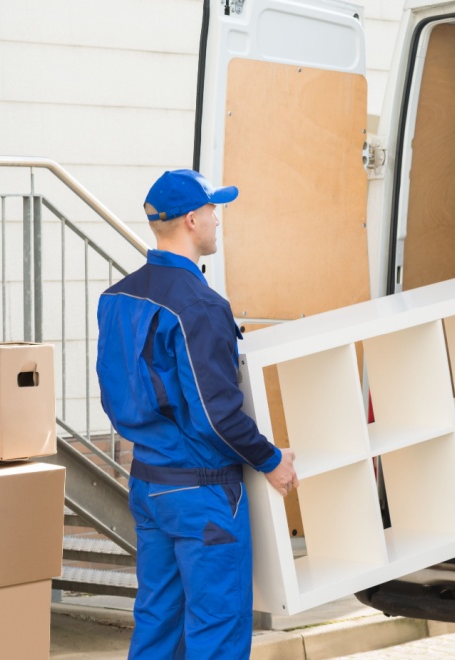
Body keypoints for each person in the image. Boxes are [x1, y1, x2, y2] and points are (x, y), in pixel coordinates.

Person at [96, 169, 298, 658]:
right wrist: (271, 460)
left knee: (158, 626)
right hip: (202, 493)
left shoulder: (117, 297)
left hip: (148, 481)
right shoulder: (201, 306)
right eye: (213, 210)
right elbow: (217, 415)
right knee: (216, 634)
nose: (217, 219)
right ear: (191, 219)